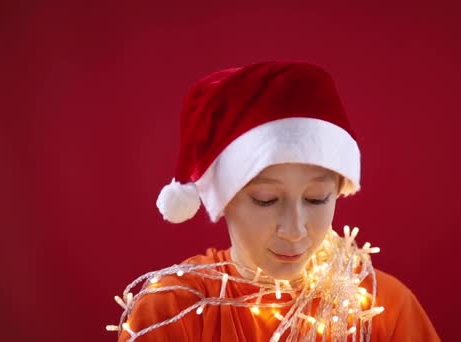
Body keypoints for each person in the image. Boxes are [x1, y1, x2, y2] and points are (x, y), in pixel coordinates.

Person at [108, 61, 440, 341]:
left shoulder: (380, 307)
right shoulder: (173, 310)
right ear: (225, 199)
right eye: (266, 200)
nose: (295, 230)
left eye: (316, 198)